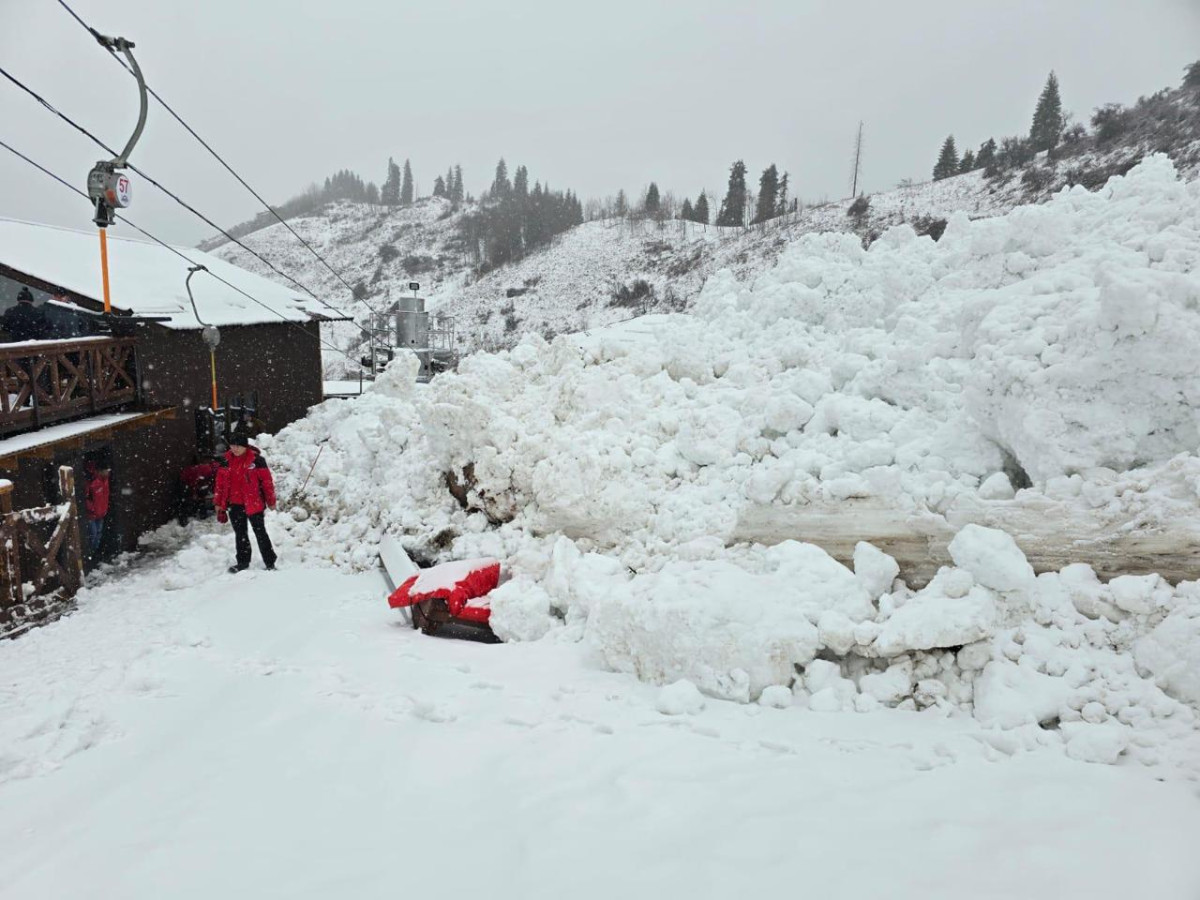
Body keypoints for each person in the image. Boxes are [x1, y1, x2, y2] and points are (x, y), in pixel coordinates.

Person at [214, 427, 277, 573]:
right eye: (232, 445)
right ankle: (242, 562)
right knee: (240, 534)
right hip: (234, 504)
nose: (235, 449)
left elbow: (267, 483)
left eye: (238, 446)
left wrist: (271, 501)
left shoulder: (257, 461)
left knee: (260, 533)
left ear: (245, 446)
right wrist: (218, 503)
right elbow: (220, 485)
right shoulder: (225, 461)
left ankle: (270, 562)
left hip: (254, 504)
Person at [176, 450, 222, 525]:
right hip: (184, 482)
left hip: (193, 482)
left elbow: (211, 483)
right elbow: (195, 481)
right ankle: (184, 520)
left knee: (201, 496)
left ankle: (201, 514)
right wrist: (194, 493)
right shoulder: (206, 470)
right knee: (186, 501)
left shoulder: (212, 469)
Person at [83, 460, 110, 560]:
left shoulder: (105, 481)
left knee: (98, 534)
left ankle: (94, 554)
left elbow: (105, 497)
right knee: (93, 535)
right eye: (106, 470)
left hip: (101, 513)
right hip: (92, 514)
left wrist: (104, 509)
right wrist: (92, 510)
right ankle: (89, 554)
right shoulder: (92, 481)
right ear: (100, 471)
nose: (108, 472)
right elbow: (86, 498)